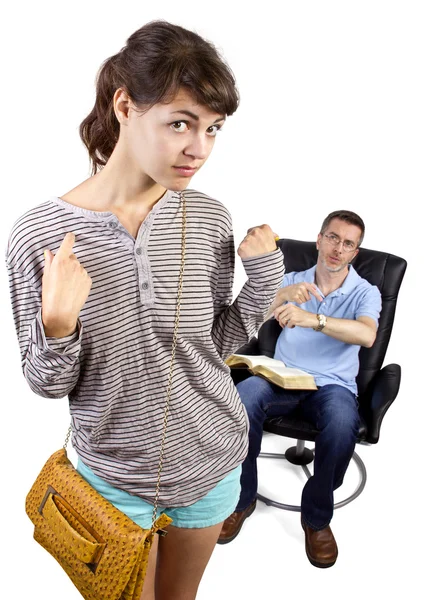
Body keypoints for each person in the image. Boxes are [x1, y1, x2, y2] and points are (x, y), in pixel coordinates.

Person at [5, 21, 285, 600]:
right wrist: (57, 327)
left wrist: (264, 277)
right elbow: (45, 382)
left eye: (213, 129)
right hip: (111, 478)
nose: (199, 149)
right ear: (125, 105)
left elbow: (219, 340)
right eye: (180, 123)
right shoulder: (41, 234)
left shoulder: (209, 217)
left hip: (211, 457)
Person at [218, 210, 382, 569]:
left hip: (332, 387)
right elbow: (246, 321)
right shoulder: (292, 280)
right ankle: (241, 499)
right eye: (333, 238)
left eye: (348, 243)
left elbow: (367, 334)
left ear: (356, 252)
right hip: (283, 378)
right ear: (320, 239)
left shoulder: (365, 292)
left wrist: (314, 319)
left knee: (342, 425)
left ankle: (317, 518)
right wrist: (278, 296)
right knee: (241, 402)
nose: (338, 248)